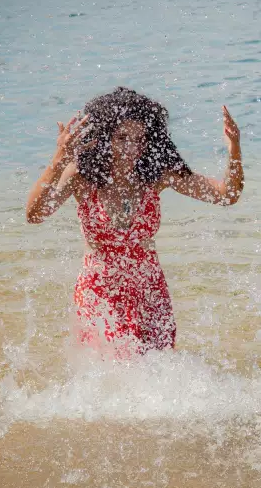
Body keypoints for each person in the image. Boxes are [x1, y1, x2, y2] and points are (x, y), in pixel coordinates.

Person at [26, 86, 244, 353]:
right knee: (109, 376)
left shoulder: (157, 174)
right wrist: (58, 161)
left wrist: (234, 151)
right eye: (122, 138)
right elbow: (35, 215)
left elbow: (226, 195)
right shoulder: (81, 176)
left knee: (156, 377)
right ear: (104, 137)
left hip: (149, 292)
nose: (132, 148)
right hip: (100, 293)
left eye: (140, 139)